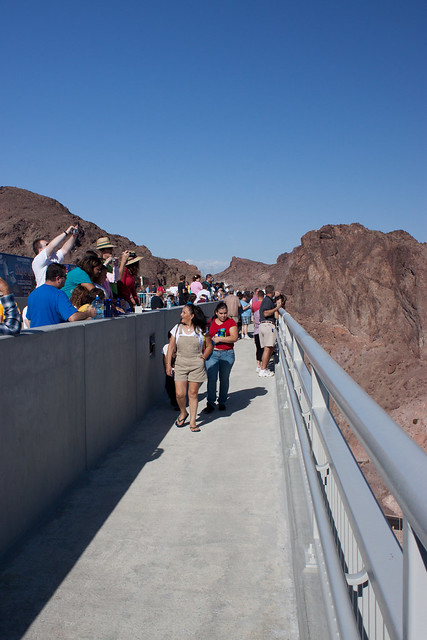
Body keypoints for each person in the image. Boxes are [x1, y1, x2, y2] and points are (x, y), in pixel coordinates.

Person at [165, 303, 213, 432]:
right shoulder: (176, 328)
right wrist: (168, 364)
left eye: (184, 312)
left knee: (193, 393)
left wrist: (203, 358)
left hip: (196, 364)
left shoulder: (201, 330)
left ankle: (192, 422)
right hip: (180, 364)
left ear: (191, 316)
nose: (181, 314)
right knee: (179, 394)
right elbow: (171, 347)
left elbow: (209, 346)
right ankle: (183, 412)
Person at [26, 263, 96, 328]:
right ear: (58, 279)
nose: (66, 279)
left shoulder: (33, 294)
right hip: (54, 337)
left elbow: (29, 320)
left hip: (36, 338)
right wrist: (88, 313)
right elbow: (73, 317)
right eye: (65, 276)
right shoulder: (58, 294)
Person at [204, 302, 238, 413]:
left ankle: (222, 401)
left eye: (225, 313)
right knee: (212, 379)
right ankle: (210, 402)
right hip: (212, 354)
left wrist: (220, 339)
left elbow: (234, 337)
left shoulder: (231, 322)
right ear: (216, 313)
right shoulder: (211, 322)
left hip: (227, 354)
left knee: (224, 379)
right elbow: (206, 335)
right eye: (221, 313)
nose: (223, 316)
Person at [258, 285, 282, 377]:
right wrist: (277, 307)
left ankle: (264, 368)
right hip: (267, 325)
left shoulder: (267, 300)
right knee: (268, 349)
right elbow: (266, 313)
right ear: (272, 292)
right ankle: (263, 370)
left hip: (264, 325)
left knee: (269, 348)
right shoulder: (267, 301)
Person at [252, 288, 264, 372]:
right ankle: (263, 364)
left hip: (256, 329)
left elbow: (253, 313)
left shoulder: (254, 305)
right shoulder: (264, 305)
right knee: (264, 348)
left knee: (258, 348)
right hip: (263, 328)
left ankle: (258, 365)